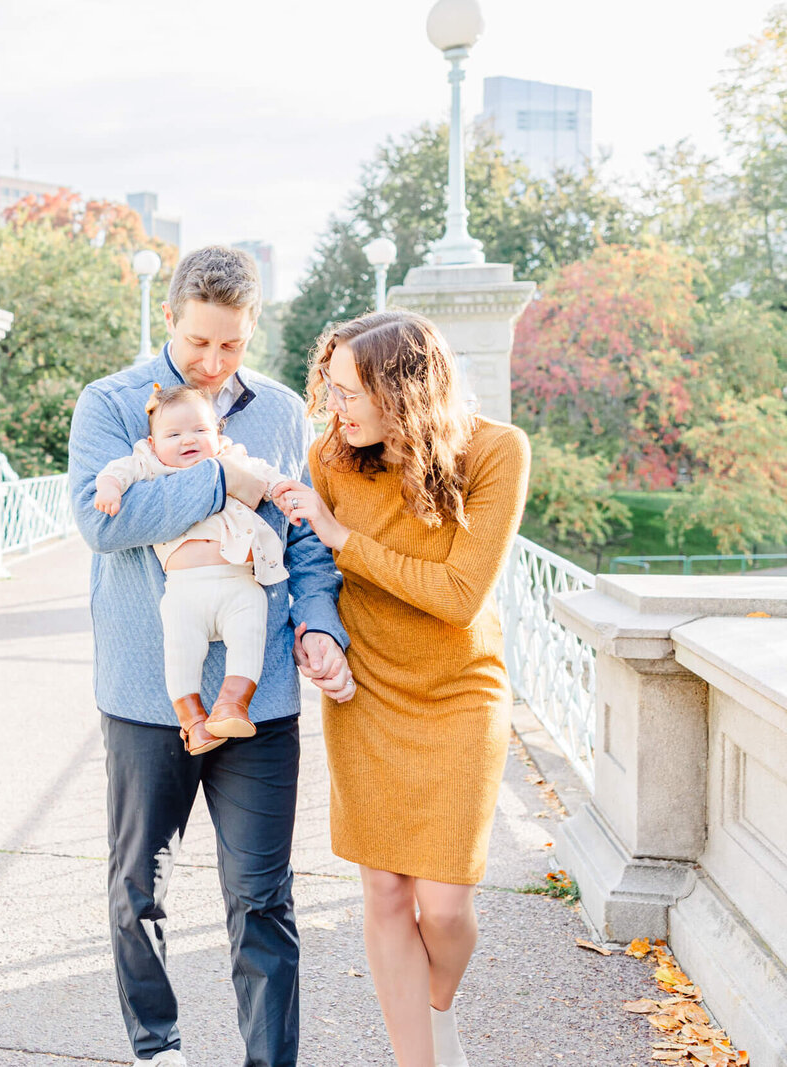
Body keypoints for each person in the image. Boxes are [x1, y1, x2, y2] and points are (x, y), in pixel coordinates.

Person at [69, 244, 355, 1067]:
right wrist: (224, 482)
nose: (215, 360)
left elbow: (301, 530)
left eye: (231, 344)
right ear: (170, 319)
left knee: (262, 900)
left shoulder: (278, 412)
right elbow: (103, 523)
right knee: (138, 895)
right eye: (200, 343)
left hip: (260, 696)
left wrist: (321, 623)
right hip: (145, 695)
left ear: (252, 328)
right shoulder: (112, 404)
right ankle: (158, 1048)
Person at [269, 309, 531, 1067]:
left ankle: (436, 1015)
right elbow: (308, 572)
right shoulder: (332, 456)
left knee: (445, 906)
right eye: (330, 389)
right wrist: (316, 631)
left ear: (403, 390)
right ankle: (419, 1058)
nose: (334, 408)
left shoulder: (495, 452)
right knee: (385, 893)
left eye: (349, 392)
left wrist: (344, 535)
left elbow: (457, 594)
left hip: (459, 693)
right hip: (368, 692)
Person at [92, 383, 289, 749]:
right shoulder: (148, 464)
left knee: (250, 636)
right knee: (181, 651)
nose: (188, 440)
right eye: (174, 434)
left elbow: (271, 478)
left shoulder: (234, 458)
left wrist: (288, 493)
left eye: (200, 430)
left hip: (239, 583)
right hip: (184, 591)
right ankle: (193, 720)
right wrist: (109, 490)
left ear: (218, 434)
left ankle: (233, 703)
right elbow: (114, 472)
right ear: (153, 444)